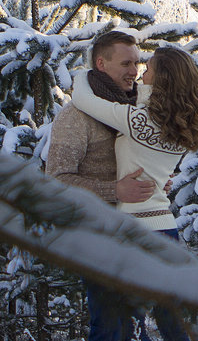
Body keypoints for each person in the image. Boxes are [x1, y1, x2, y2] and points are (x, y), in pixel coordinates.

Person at [70, 44, 198, 341]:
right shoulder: (182, 127)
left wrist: (85, 72)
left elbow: (81, 98)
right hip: (166, 231)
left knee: (119, 327)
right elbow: (158, 171)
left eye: (148, 71)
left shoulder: (137, 121)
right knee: (172, 326)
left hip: (132, 231)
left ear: (161, 81)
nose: (140, 75)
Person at [45, 30, 156, 341]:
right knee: (110, 326)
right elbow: (56, 180)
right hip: (97, 233)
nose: (134, 72)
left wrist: (154, 183)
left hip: (136, 229)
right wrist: (115, 190)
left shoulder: (133, 112)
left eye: (137, 63)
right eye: (126, 63)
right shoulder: (76, 117)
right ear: (101, 63)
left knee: (134, 326)